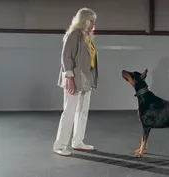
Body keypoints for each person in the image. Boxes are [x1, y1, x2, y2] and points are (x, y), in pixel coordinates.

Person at [53, 7, 98, 156]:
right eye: (91, 21)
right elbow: (66, 57)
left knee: (82, 112)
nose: (93, 24)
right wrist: (69, 78)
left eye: (94, 21)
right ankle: (60, 145)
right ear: (83, 20)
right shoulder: (74, 34)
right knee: (69, 111)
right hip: (74, 79)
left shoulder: (86, 36)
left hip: (86, 80)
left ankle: (78, 141)